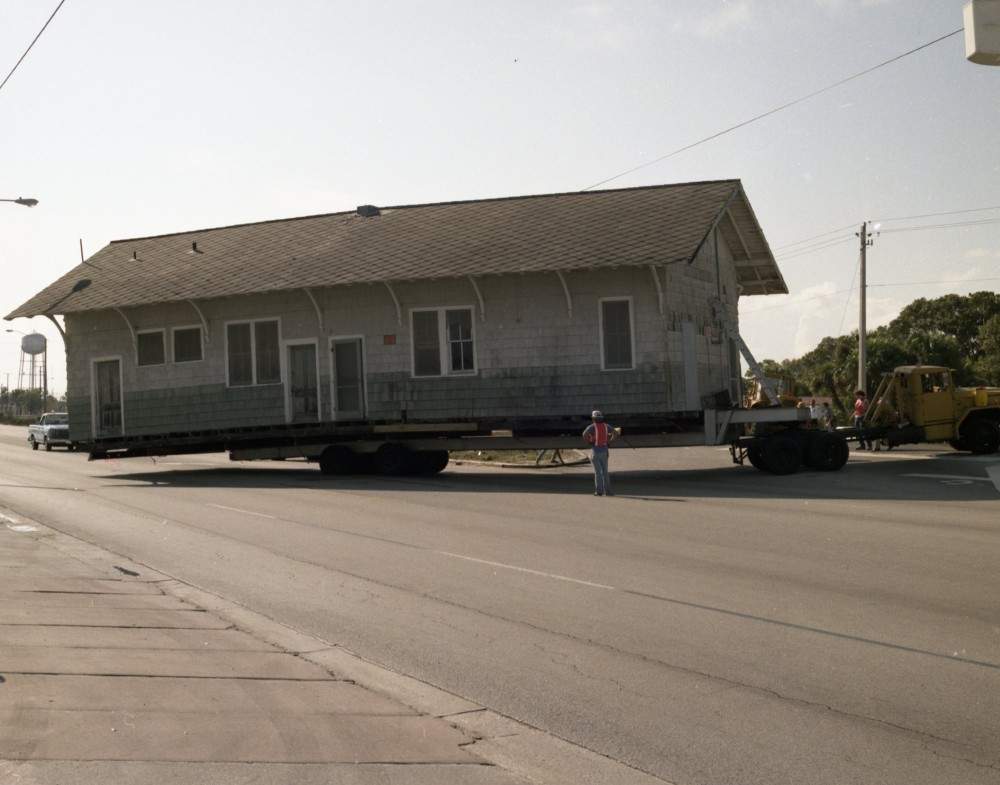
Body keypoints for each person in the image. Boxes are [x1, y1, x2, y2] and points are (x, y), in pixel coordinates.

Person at [582, 410, 618, 496]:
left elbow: (584, 434)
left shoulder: (592, 427)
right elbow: (615, 433)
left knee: (598, 472)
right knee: (605, 472)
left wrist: (589, 442)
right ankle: (608, 491)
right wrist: (609, 441)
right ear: (601, 418)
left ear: (593, 419)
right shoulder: (607, 426)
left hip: (595, 451)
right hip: (605, 451)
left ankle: (599, 491)